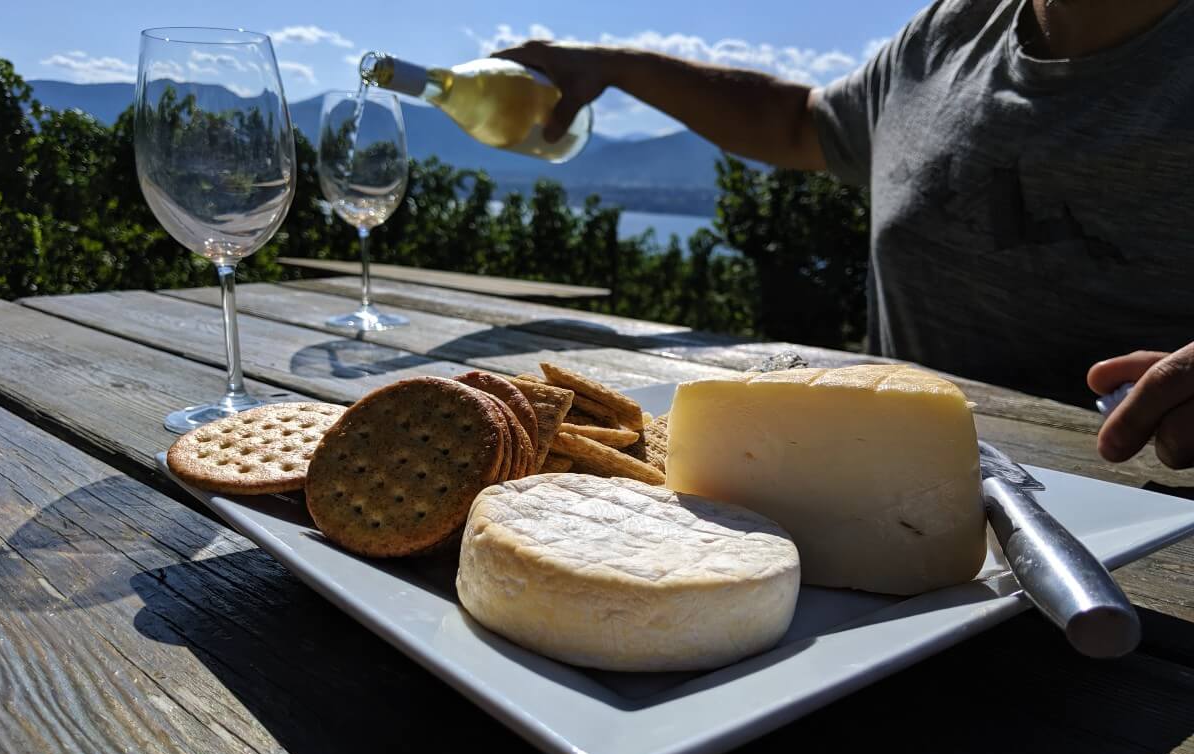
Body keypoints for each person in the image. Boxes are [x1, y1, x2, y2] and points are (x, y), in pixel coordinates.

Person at [495, 0, 1194, 469]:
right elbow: (800, 124)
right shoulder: (952, 32)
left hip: (1134, 509)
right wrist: (615, 66)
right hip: (873, 481)